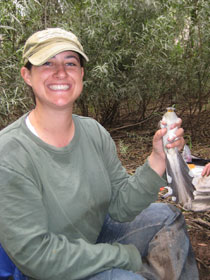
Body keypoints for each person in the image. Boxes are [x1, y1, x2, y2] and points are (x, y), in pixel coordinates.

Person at [0, 28, 199, 280]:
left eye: (70, 63)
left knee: (166, 217)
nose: (60, 72)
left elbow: (120, 206)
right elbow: (37, 256)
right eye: (47, 63)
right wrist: (122, 256)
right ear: (27, 75)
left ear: (81, 74)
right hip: (48, 269)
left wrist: (158, 158)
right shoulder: (10, 152)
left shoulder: (93, 132)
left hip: (94, 237)